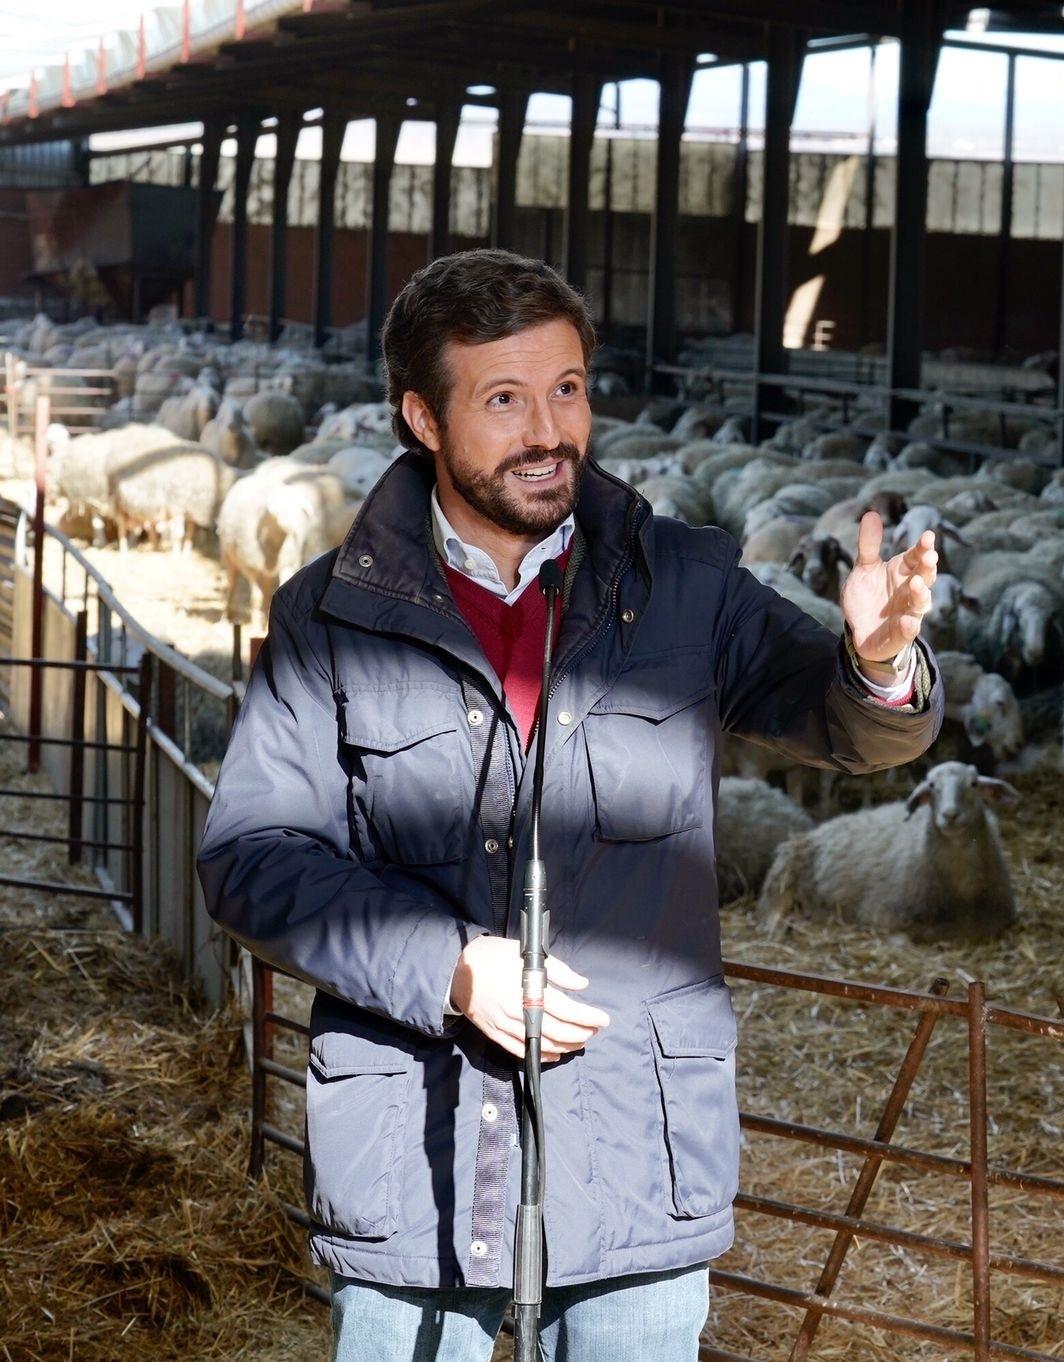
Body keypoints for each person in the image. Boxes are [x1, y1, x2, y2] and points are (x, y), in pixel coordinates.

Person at [197, 249, 943, 1361]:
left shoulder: (679, 583)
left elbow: (842, 723)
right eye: (503, 399)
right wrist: (447, 967)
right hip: (416, 1157)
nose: (548, 428)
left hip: (631, 1152)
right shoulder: (331, 616)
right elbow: (251, 855)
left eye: (567, 389)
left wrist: (877, 661)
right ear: (423, 418)